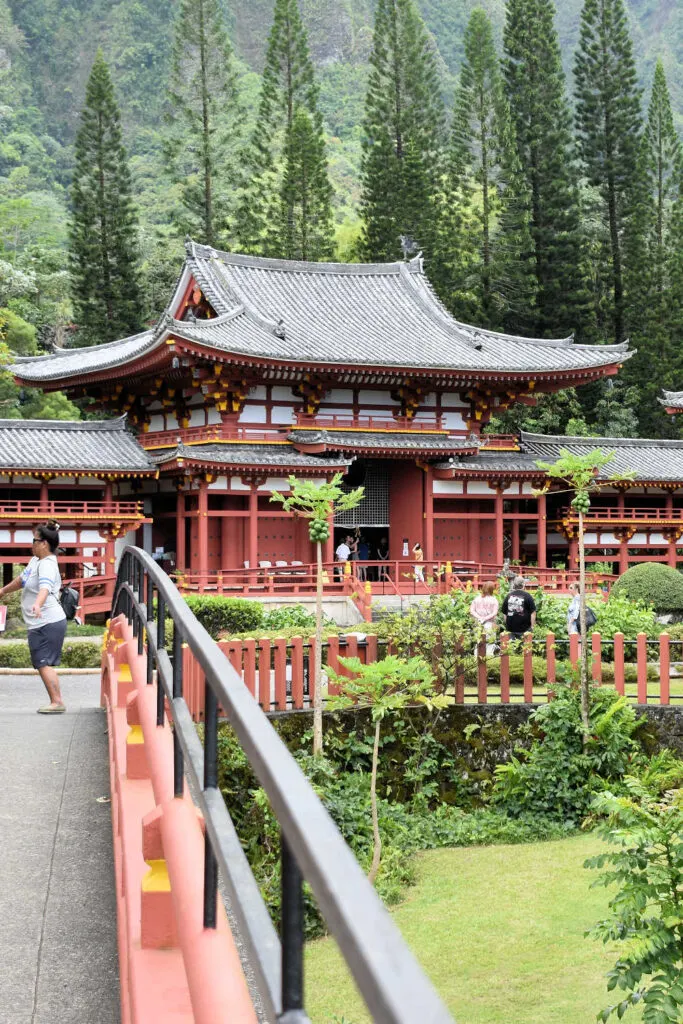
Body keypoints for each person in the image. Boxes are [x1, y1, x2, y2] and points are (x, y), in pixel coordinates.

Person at [0, 520, 67, 713]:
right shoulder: (36, 561)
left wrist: (37, 604)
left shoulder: (47, 565)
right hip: (42, 621)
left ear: (44, 543)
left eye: (34, 540)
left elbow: (45, 587)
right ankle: (56, 701)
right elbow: (22, 580)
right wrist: (3, 591)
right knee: (41, 661)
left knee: (42, 661)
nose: (32, 544)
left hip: (47, 620)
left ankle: (57, 702)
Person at [501, 576, 536, 641]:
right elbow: (533, 612)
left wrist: (507, 625)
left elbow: (504, 613)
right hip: (525, 629)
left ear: (514, 585)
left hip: (511, 629)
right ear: (523, 584)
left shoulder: (508, 596)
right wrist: (532, 626)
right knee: (525, 649)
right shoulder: (527, 596)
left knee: (512, 648)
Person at [469, 581, 499, 656]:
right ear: (492, 589)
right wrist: (485, 618)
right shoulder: (494, 600)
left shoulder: (477, 599)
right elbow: (494, 613)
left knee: (478, 642)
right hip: (489, 623)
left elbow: (472, 610)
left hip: (478, 623)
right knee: (489, 643)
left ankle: (476, 659)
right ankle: (488, 660)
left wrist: (479, 617)